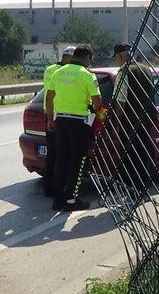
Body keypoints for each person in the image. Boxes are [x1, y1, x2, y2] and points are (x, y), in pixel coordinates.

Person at [45, 46, 102, 211]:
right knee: (77, 162)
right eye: (90, 60)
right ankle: (71, 200)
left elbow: (49, 98)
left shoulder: (59, 72)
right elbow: (97, 102)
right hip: (79, 123)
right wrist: (95, 110)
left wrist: (50, 119)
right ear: (86, 58)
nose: (90, 63)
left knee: (61, 160)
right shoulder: (87, 75)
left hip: (60, 121)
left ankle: (57, 200)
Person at [112, 43, 158, 195]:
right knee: (143, 153)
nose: (116, 62)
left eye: (116, 59)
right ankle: (142, 189)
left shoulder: (123, 72)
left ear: (119, 56)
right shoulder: (146, 69)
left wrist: (117, 123)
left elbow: (121, 100)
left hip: (130, 121)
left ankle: (133, 190)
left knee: (131, 156)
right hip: (147, 119)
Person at [41, 46, 75, 197]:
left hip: (48, 114)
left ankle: (48, 188)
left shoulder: (49, 69)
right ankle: (60, 190)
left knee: (52, 155)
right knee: (63, 156)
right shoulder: (65, 72)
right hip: (59, 115)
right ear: (69, 57)